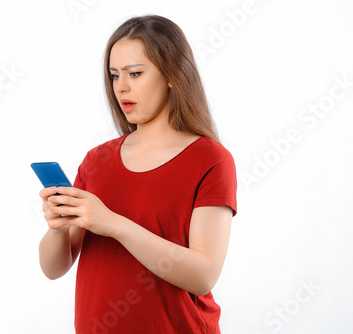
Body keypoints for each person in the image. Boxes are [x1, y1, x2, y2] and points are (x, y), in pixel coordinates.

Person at [38, 14, 237, 333]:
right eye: (114, 75)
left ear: (172, 74)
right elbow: (52, 269)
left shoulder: (210, 159)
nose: (122, 87)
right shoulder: (96, 160)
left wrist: (113, 223)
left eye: (135, 73)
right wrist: (58, 228)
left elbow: (203, 276)